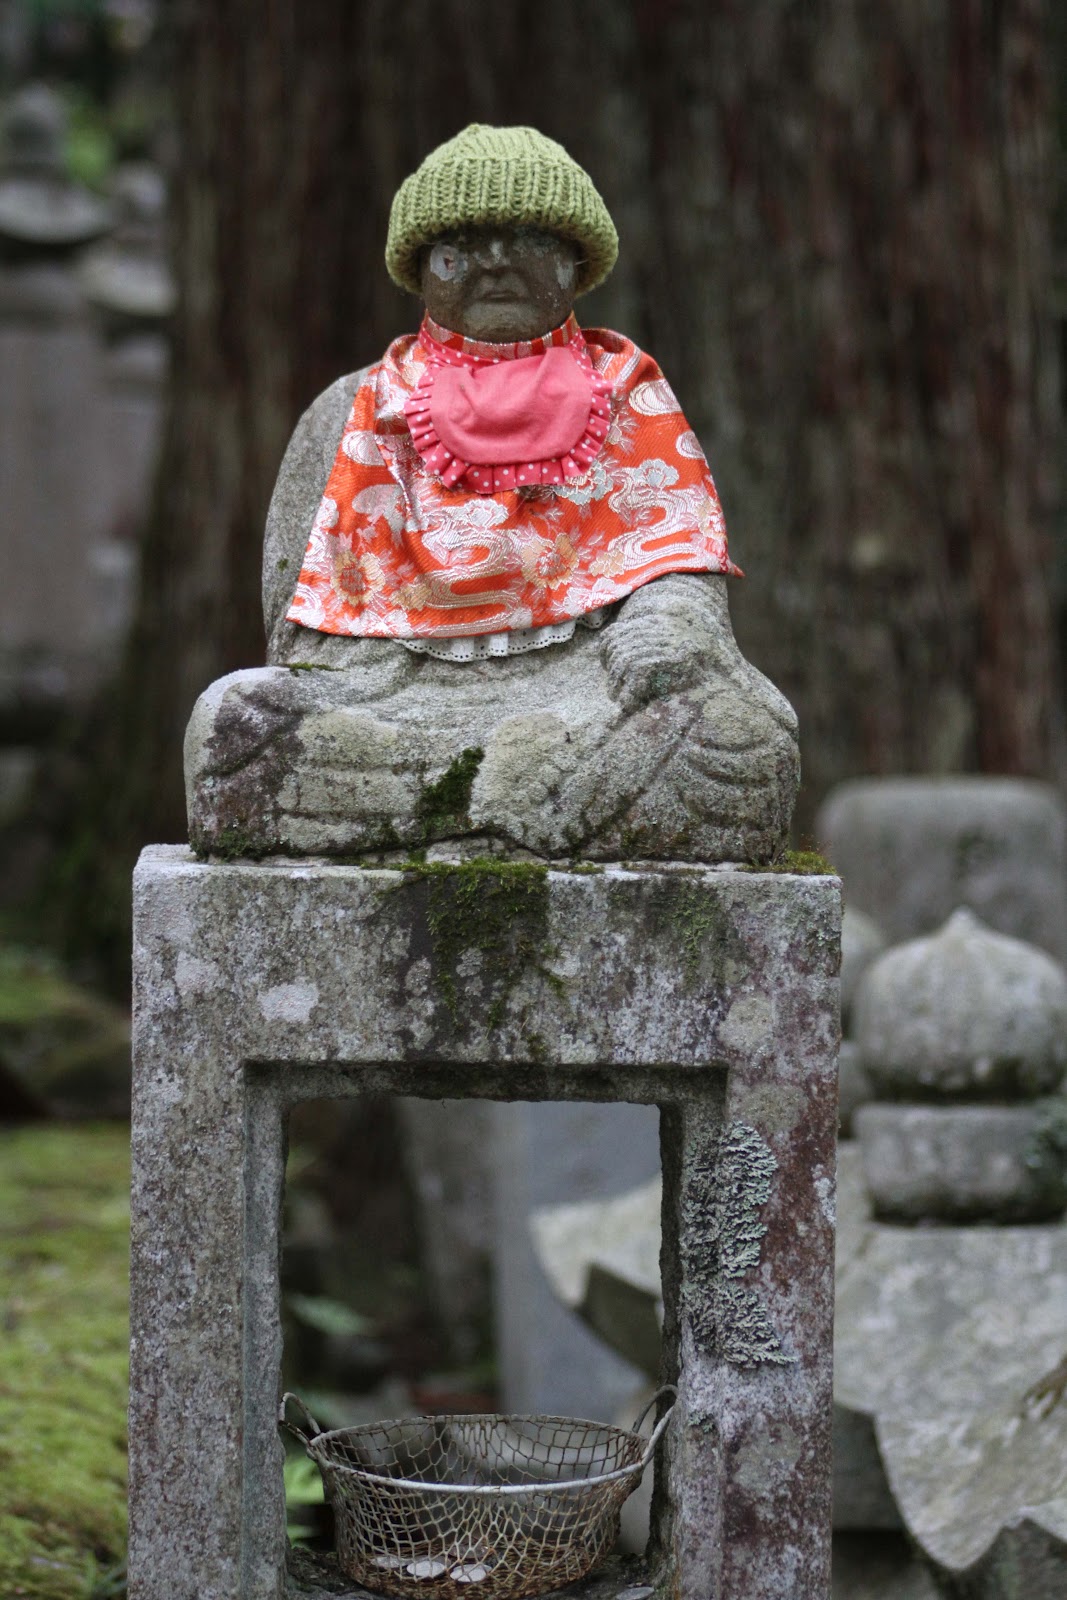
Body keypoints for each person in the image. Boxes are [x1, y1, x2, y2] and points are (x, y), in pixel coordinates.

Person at [186, 125, 799, 864]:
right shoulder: (352, 411)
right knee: (234, 724)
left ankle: (446, 803)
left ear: (574, 266)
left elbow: (677, 558)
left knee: (742, 738)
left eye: (530, 243)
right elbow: (298, 624)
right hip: (397, 703)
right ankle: (493, 797)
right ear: (421, 270)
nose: (497, 265)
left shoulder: (628, 398)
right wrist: (362, 679)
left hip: (579, 700)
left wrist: (673, 627)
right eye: (462, 248)